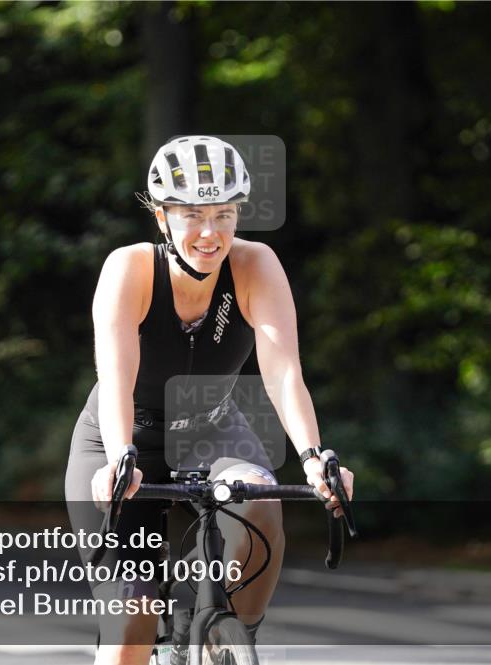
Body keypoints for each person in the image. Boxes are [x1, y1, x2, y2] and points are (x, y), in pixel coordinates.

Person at [64, 135, 354, 665]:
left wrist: (315, 457)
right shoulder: (128, 270)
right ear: (161, 218)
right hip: (124, 433)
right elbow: (116, 377)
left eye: (225, 214)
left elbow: (283, 370)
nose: (210, 232)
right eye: (193, 215)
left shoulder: (254, 265)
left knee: (262, 496)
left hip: (212, 427)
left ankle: (226, 636)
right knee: (132, 621)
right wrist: (117, 457)